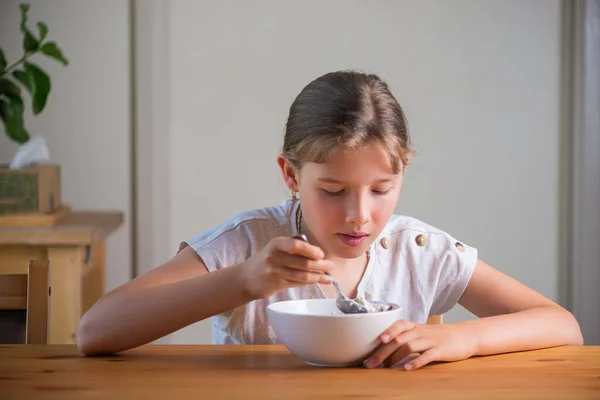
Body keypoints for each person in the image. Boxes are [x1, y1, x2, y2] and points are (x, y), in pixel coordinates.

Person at [77, 70, 583, 370]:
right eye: (333, 191)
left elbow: (563, 326)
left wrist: (460, 339)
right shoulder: (250, 243)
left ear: (402, 171)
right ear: (291, 175)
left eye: (382, 190)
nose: (360, 215)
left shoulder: (419, 251)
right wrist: (244, 280)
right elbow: (96, 331)